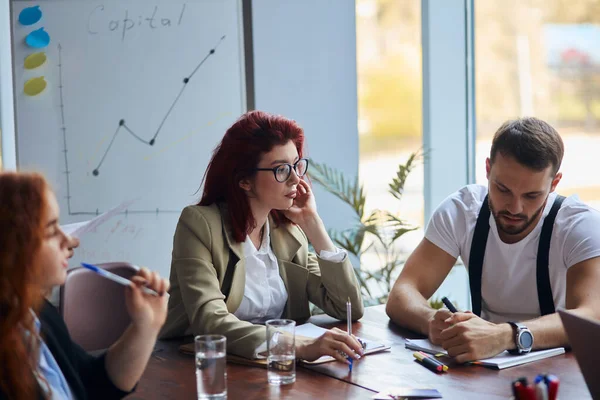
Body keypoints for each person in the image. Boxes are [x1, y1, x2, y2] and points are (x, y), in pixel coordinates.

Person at [386, 117, 600, 363]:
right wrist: (429, 321)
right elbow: (401, 293)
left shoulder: (580, 226)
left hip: (559, 377)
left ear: (554, 183)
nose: (515, 207)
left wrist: (506, 335)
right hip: (482, 369)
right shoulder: (463, 212)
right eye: (503, 189)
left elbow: (590, 317)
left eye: (531, 195)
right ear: (488, 169)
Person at [160, 110, 365, 363]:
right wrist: (298, 345)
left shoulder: (287, 231)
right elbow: (209, 321)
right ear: (244, 180)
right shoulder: (200, 225)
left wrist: (313, 223)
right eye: (281, 169)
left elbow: (348, 308)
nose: (295, 179)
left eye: (296, 165)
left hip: (275, 370)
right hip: (198, 366)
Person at [0, 171, 170, 400]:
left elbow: (94, 383)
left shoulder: (38, 314)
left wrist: (146, 326)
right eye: (51, 230)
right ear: (11, 247)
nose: (70, 240)